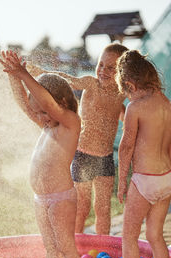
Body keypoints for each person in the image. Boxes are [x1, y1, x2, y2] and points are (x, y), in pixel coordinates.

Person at [0, 51, 81, 258]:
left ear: (62, 104)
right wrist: (14, 76)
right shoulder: (46, 124)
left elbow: (46, 104)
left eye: (44, 113)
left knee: (65, 246)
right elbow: (27, 105)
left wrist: (25, 74)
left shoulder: (69, 123)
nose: (41, 117)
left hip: (61, 198)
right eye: (39, 114)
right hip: (41, 198)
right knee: (50, 247)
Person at [27, 43, 128, 234]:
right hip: (83, 156)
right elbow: (68, 81)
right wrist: (42, 73)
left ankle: (102, 246)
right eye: (101, 65)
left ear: (121, 72)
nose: (103, 71)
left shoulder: (120, 94)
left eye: (111, 68)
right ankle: (77, 245)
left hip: (105, 158)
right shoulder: (91, 83)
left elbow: (120, 111)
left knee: (103, 209)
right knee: (82, 207)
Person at [116, 50, 171, 258]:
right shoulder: (167, 104)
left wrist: (121, 182)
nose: (128, 97)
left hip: (144, 180)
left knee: (129, 236)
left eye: (126, 92)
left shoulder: (135, 107)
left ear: (130, 84)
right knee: (155, 237)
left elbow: (126, 146)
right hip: (166, 178)